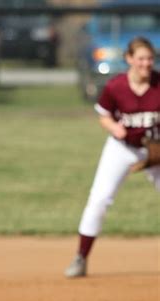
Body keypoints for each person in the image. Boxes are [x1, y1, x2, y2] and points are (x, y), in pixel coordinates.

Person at [65, 37, 160, 278]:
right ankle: (81, 258)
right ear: (129, 59)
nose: (146, 63)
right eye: (140, 58)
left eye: (150, 58)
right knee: (99, 198)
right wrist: (114, 127)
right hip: (122, 147)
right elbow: (104, 115)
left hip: (156, 149)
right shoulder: (116, 86)